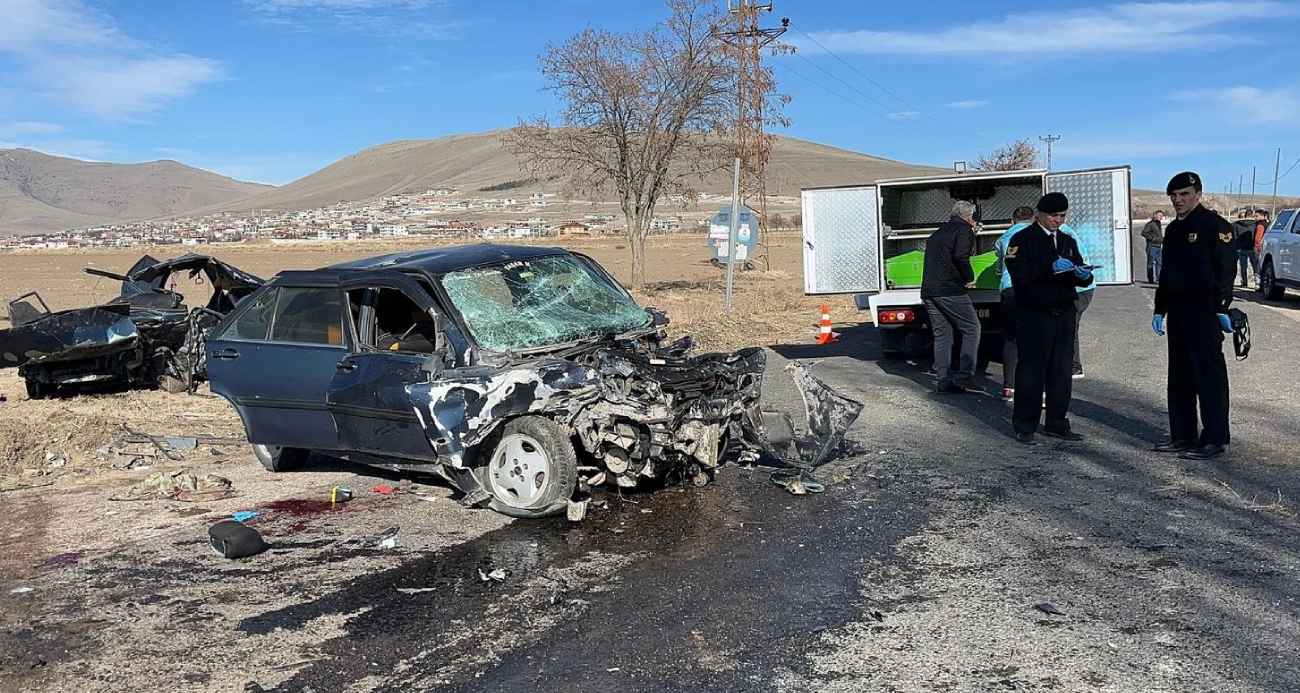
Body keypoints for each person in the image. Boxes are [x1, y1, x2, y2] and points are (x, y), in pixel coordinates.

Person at [1151, 171, 1236, 460]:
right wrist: (1159, 308)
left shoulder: (1215, 226)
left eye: (1184, 194)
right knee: (1180, 377)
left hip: (1205, 311)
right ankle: (1182, 435)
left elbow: (1226, 270)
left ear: (1198, 194)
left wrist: (1222, 307)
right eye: (1173, 196)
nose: (1178, 200)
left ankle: (1214, 438)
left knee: (1209, 377)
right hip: (1178, 311)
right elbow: (1167, 273)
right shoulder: (1173, 230)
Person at [1004, 192, 1093, 445]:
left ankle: (1057, 423)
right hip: (1035, 314)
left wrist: (1083, 275)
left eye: (1063, 216)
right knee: (1031, 372)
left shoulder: (1066, 240)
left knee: (1061, 372)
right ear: (1040, 214)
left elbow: (1077, 271)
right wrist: (1049, 269)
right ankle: (1025, 426)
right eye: (1054, 216)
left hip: (1063, 312)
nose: (1058, 220)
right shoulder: (1022, 240)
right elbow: (1019, 272)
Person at [920, 200, 980, 394]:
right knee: (971, 328)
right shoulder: (963, 230)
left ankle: (943, 380)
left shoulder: (937, 232)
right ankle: (965, 376)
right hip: (950, 289)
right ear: (970, 216)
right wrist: (969, 278)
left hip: (930, 290)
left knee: (942, 333)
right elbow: (961, 256)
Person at [994, 205, 1036, 400]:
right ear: (1033, 219)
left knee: (1011, 339)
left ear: (1012, 221)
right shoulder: (1039, 235)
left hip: (1009, 291)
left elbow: (999, 265)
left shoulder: (1003, 239)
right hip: (1032, 290)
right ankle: (1038, 389)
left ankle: (1009, 387)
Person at [1058, 224, 1096, 378]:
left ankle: (1075, 367)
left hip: (1079, 290)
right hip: (1079, 288)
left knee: (1070, 326)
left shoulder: (1064, 234)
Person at [1233, 210, 1259, 287]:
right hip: (1252, 248)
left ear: (1245, 216)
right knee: (1255, 265)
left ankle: (1244, 281)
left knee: (1243, 266)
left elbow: (1234, 236)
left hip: (1241, 248)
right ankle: (1257, 281)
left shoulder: (1236, 224)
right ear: (1252, 215)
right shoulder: (1255, 224)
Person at [1140, 210, 1165, 283]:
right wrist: (1152, 238)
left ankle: (1159, 279)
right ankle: (1150, 279)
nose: (1161, 217)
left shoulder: (1159, 223)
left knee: (1159, 263)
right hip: (1151, 246)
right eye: (1159, 215)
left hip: (1158, 246)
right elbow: (1144, 233)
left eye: (1162, 216)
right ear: (1155, 215)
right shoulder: (1150, 224)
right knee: (1151, 263)